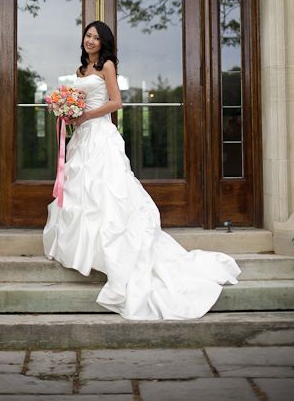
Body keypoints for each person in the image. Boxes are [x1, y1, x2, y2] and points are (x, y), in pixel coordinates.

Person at [43, 20, 241, 320]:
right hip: (82, 139)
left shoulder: (107, 66)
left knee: (106, 193)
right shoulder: (81, 70)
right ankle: (85, 250)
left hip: (100, 136)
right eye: (88, 35)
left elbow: (116, 102)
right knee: (82, 191)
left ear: (104, 42)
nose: (90, 41)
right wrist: (67, 112)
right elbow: (77, 101)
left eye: (96, 37)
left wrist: (84, 116)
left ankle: (117, 256)